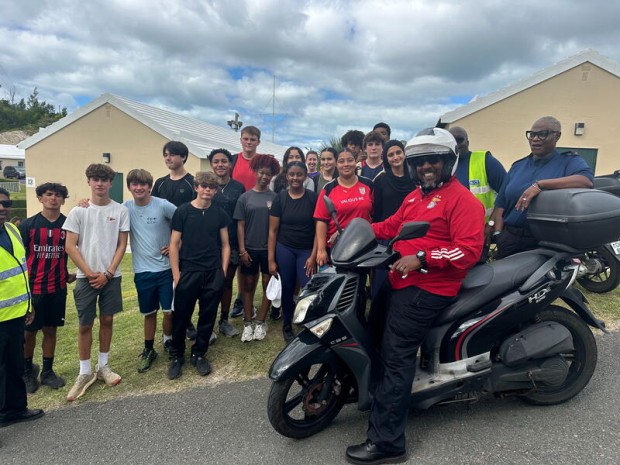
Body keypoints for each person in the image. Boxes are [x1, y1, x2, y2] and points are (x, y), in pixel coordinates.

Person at [345, 128, 484, 464]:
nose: (426, 167)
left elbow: (468, 251)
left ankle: (388, 442)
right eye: (420, 162)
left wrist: (423, 258)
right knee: (371, 337)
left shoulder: (463, 201)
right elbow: (390, 226)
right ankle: (378, 396)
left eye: (433, 160)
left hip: (430, 287)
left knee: (396, 356)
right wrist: (353, 234)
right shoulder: (414, 197)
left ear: (448, 162)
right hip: (399, 279)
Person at [63, 164, 130, 402]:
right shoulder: (78, 211)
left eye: (104, 179)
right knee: (85, 324)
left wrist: (108, 273)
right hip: (86, 278)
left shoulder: (120, 210)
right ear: (89, 181)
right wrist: (90, 273)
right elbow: (70, 246)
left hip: (111, 276)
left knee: (107, 320)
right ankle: (84, 372)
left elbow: (122, 244)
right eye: (95, 179)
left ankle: (103, 366)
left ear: (111, 183)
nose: (99, 183)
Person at [493, 116, 593, 259]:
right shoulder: (518, 166)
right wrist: (498, 234)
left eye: (542, 134)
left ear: (557, 136)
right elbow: (501, 204)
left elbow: (585, 181)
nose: (535, 139)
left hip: (544, 241)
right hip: (510, 239)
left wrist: (541, 185)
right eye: (532, 134)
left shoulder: (568, 162)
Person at [167, 172, 230, 379]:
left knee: (208, 316)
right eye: (204, 186)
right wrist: (176, 274)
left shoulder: (219, 213)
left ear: (215, 191)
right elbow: (174, 244)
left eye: (212, 187)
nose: (207, 190)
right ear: (196, 187)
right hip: (188, 272)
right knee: (181, 317)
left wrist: (222, 271)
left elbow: (226, 245)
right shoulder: (183, 212)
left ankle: (199, 353)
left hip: (212, 272)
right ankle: (177, 355)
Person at [19, 183, 75, 393]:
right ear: (40, 198)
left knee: (50, 330)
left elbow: (75, 250)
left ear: (63, 199)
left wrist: (69, 274)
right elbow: (20, 257)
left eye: (58, 195)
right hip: (33, 288)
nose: (53, 198)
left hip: (57, 288)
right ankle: (27, 372)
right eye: (49, 194)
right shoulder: (28, 225)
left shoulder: (68, 225)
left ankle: (48, 372)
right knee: (29, 332)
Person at [124, 169, 177, 372]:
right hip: (143, 271)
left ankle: (168, 340)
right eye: (135, 184)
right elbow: (103, 211)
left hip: (166, 269)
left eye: (143, 184)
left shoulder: (163, 205)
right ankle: (148, 349)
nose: (139, 188)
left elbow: (185, 220)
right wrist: (84, 203)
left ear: (150, 186)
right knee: (149, 313)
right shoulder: (125, 208)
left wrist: (175, 246)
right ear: (129, 187)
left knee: (169, 312)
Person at [0, 187, 44, 427]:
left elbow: (21, 271)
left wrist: (28, 305)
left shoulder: (13, 231)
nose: (2, 208)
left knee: (14, 366)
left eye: (6, 204)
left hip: (16, 313)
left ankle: (15, 409)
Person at [152, 140, 198, 341]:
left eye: (172, 154)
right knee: (168, 288)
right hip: (164, 246)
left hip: (187, 245)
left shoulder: (192, 183)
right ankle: (171, 328)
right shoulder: (160, 183)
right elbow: (151, 209)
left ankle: (187, 322)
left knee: (185, 286)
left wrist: (179, 243)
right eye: (165, 155)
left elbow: (195, 216)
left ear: (183, 157)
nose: (168, 158)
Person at [268, 161, 318, 342]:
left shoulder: (313, 198)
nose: (295, 178)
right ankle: (287, 324)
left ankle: (308, 323)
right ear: (287, 176)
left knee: (308, 288)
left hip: (306, 250)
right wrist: (271, 260)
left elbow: (318, 230)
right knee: (288, 287)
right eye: (292, 174)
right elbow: (272, 231)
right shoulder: (280, 198)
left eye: (299, 174)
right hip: (285, 248)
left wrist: (313, 255)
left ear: (305, 176)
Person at [233, 154, 280, 342]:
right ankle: (247, 322)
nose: (264, 177)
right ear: (255, 172)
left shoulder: (275, 198)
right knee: (248, 285)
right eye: (261, 172)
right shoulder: (244, 198)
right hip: (249, 250)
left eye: (268, 174)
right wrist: (242, 250)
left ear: (272, 176)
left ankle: (261, 322)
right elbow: (240, 225)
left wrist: (272, 254)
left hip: (268, 250)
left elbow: (276, 228)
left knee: (267, 285)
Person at [370, 140, 415, 300]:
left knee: (407, 278)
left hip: (411, 235)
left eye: (398, 152)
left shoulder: (415, 177)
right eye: (390, 155)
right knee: (383, 279)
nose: (395, 157)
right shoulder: (380, 180)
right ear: (386, 159)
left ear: (404, 154)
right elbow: (377, 212)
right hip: (387, 237)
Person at [314, 148, 373, 269]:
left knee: (361, 280)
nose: (346, 164)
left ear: (355, 162)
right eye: (341, 161)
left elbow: (374, 216)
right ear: (336, 164)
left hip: (363, 245)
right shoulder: (329, 188)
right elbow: (321, 220)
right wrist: (321, 250)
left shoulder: (368, 185)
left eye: (350, 160)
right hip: (337, 247)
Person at [208, 148, 245, 337]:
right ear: (211, 164)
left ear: (230, 164)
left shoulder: (238, 187)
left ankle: (223, 320)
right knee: (208, 285)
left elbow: (242, 219)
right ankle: (207, 322)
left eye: (224, 161)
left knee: (226, 282)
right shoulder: (205, 186)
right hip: (208, 243)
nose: (220, 164)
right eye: (216, 161)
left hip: (231, 243)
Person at [230, 126, 263, 317]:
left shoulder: (262, 161)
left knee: (253, 260)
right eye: (246, 139)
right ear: (241, 139)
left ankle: (247, 296)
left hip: (257, 216)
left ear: (258, 142)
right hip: (237, 215)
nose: (249, 142)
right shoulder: (233, 160)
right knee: (239, 259)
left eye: (253, 139)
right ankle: (240, 297)